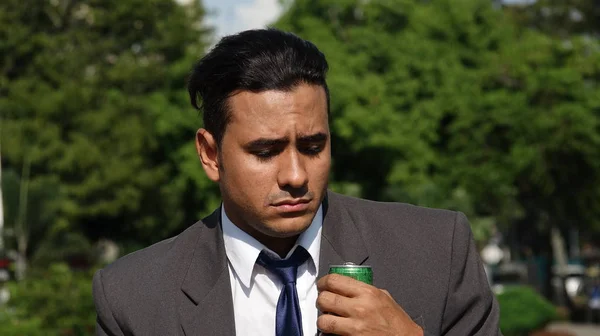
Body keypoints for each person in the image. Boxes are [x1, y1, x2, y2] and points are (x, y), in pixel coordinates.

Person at [92, 28, 502, 336]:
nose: (296, 176)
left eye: (312, 145)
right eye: (265, 151)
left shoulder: (436, 251)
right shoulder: (133, 297)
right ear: (210, 154)